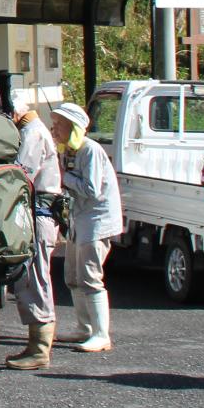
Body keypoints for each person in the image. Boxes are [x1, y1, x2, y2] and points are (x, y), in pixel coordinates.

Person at [50, 101, 121, 354]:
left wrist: (61, 176)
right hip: (79, 221)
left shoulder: (90, 150)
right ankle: (84, 327)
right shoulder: (67, 151)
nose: (54, 129)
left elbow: (91, 189)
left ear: (74, 128)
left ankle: (101, 334)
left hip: (96, 221)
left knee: (90, 277)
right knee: (71, 276)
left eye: (59, 125)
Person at [5, 103, 64, 371]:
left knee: (36, 277)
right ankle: (36, 344)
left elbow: (21, 172)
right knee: (33, 277)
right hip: (39, 213)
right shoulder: (34, 130)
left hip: (39, 214)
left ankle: (40, 348)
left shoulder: (32, 133)